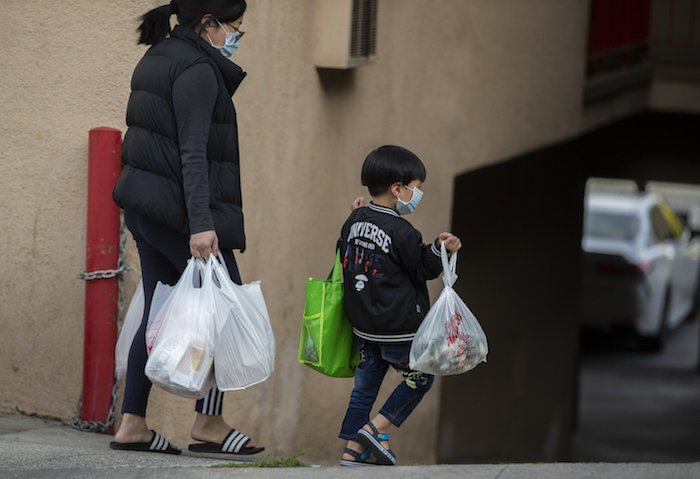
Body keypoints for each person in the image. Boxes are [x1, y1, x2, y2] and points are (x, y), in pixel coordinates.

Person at [110, 0, 262, 456]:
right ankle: (210, 423)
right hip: (180, 217)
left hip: (146, 208)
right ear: (208, 23)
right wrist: (201, 226)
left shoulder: (158, 55)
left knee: (158, 309)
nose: (236, 37)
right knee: (224, 309)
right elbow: (192, 153)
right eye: (235, 28)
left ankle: (133, 423)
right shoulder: (197, 69)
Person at [336, 145, 462, 466]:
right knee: (421, 377)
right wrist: (439, 248)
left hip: (364, 327)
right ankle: (375, 428)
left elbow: (345, 251)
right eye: (415, 188)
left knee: (363, 390)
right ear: (398, 188)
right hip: (398, 331)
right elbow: (424, 268)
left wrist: (356, 213)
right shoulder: (403, 230)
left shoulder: (353, 219)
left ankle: (353, 451)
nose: (417, 194)